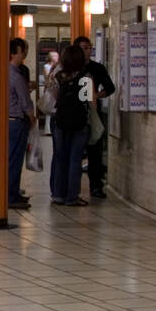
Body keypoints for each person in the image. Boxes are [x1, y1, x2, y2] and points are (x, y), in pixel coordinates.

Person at [74, 35, 116, 199]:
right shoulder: (71, 68)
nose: (87, 51)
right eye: (83, 48)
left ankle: (96, 186)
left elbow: (110, 87)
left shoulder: (97, 68)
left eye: (89, 47)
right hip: (76, 114)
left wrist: (96, 95)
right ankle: (73, 188)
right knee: (76, 152)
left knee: (95, 151)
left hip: (93, 113)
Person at [50, 44, 92, 206]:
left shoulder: (58, 76)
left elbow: (53, 98)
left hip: (60, 120)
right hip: (79, 122)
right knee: (75, 160)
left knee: (60, 158)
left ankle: (58, 194)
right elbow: (87, 100)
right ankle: (72, 197)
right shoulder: (85, 76)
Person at [8, 38, 36, 210]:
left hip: (8, 121)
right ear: (15, 52)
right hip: (17, 122)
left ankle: (14, 193)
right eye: (23, 50)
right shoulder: (15, 75)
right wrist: (32, 117)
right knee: (15, 160)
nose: (25, 53)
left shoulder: (4, 72)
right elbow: (26, 102)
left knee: (11, 159)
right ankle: (11, 196)